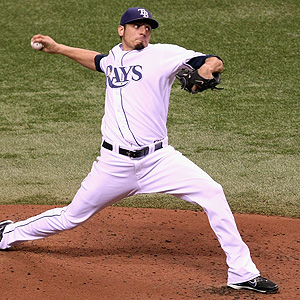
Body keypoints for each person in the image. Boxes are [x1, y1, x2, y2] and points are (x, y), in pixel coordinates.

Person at [0, 7, 278, 294]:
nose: (143, 30)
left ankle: (242, 273)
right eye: (136, 25)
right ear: (121, 30)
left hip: (159, 160)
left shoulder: (163, 54)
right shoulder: (115, 57)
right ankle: (8, 233)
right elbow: (98, 61)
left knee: (212, 192)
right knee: (72, 217)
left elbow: (210, 60)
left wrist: (208, 68)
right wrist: (58, 48)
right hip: (114, 164)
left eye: (148, 26)